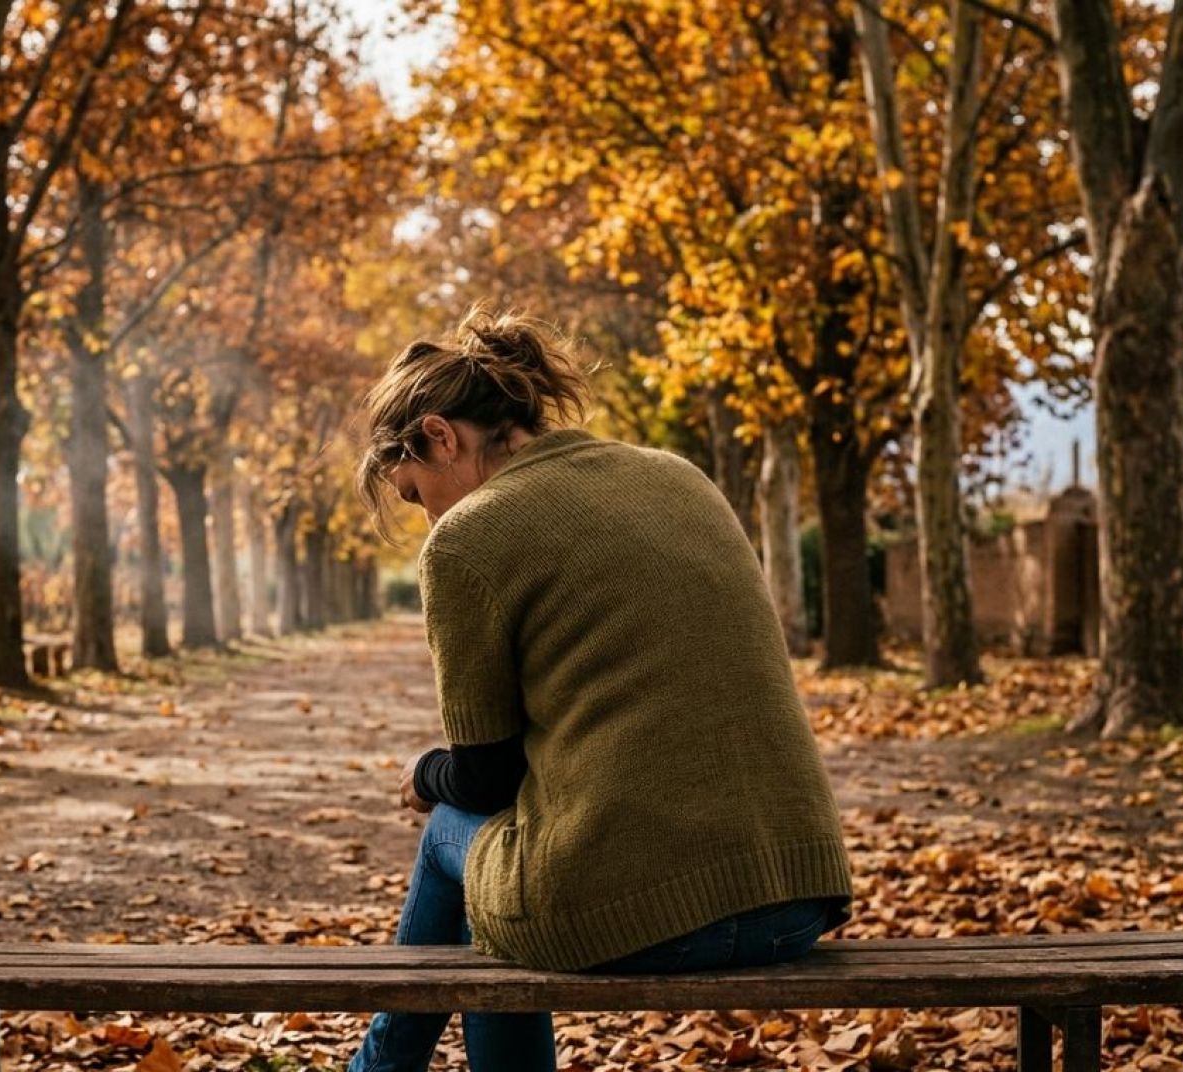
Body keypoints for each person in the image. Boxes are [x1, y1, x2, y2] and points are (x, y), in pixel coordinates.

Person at [346, 308, 855, 1072]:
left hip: (652, 920)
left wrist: (425, 776)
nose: (431, 518)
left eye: (418, 493)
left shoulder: (469, 538)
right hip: (797, 897)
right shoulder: (678, 476)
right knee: (498, 864)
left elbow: (487, 779)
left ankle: (378, 1068)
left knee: (454, 823)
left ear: (439, 434)